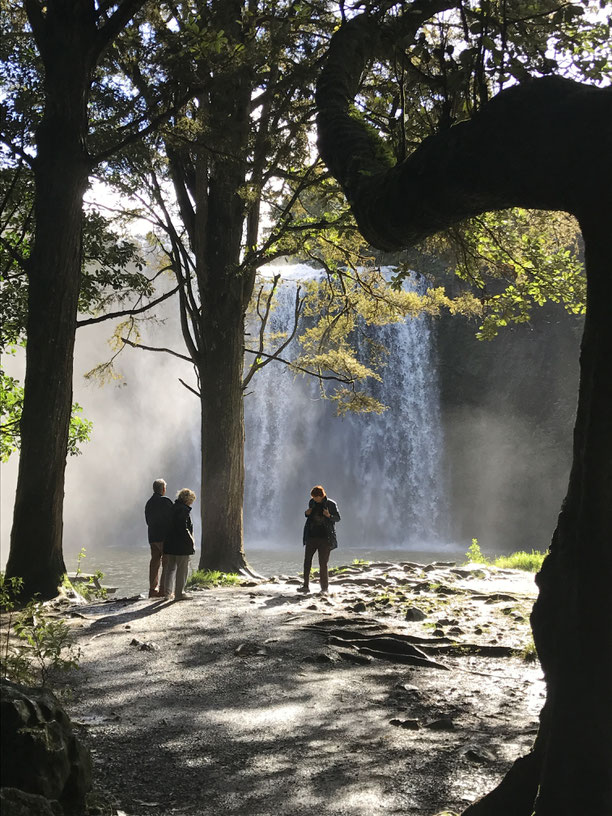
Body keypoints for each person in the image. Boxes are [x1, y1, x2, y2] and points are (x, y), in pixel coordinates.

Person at [298, 485, 340, 595]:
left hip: (325, 539)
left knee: (323, 563)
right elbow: (309, 516)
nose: (315, 499)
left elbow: (338, 518)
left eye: (316, 497)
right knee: (307, 561)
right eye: (313, 497)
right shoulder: (312, 502)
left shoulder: (331, 504)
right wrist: (306, 514)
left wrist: (329, 515)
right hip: (311, 537)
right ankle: (305, 586)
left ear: (321, 495)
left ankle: (324, 588)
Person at [162, 488, 196, 601]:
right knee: (182, 569)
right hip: (181, 545)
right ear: (188, 499)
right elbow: (183, 528)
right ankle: (179, 593)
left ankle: (167, 593)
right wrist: (191, 541)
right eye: (192, 500)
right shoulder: (183, 510)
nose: (192, 502)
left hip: (170, 543)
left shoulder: (172, 508)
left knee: (170, 569)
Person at [144, 478, 173, 598]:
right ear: (163, 489)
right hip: (164, 537)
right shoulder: (165, 501)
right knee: (167, 562)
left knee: (154, 562)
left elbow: (147, 520)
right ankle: (163, 590)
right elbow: (173, 518)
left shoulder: (149, 502)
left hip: (152, 536)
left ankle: (152, 590)